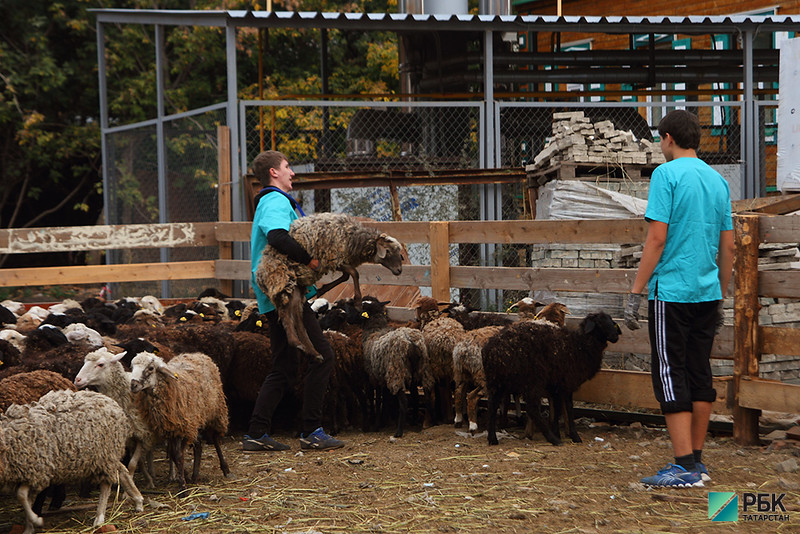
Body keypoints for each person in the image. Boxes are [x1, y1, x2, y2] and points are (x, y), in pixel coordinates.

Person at [624, 110, 734, 488]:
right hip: (706, 292)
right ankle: (698, 462)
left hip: (671, 292)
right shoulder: (718, 181)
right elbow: (728, 245)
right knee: (699, 371)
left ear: (668, 137)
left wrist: (635, 292)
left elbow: (657, 239)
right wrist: (720, 292)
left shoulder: (665, 175)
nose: (659, 144)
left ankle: (683, 465)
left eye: (659, 138)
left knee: (669, 374)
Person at [242, 150, 344, 452]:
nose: (293, 173)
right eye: (288, 167)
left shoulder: (271, 200)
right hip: (284, 297)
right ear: (274, 172)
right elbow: (276, 236)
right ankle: (311, 430)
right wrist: (310, 260)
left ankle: (256, 433)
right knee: (322, 356)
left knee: (284, 367)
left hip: (277, 296)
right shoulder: (274, 200)